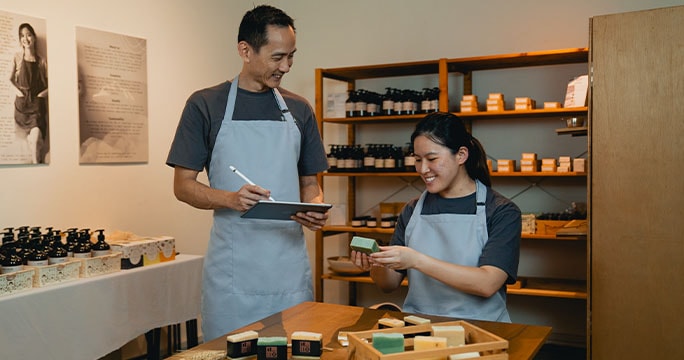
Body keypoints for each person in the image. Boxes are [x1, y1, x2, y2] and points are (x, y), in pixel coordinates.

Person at [166, 5, 329, 340]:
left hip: (289, 272)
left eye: (291, 57)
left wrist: (314, 205)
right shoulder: (205, 105)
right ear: (245, 50)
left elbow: (310, 182)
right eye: (277, 57)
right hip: (233, 274)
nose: (286, 67)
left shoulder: (299, 109)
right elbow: (183, 186)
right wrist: (230, 198)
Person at [352, 112, 521, 322]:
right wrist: (375, 264)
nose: (423, 169)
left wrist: (416, 260)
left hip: (482, 330)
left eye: (432, 159)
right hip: (419, 328)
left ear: (461, 155)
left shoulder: (502, 211)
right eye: (417, 159)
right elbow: (388, 285)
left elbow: (486, 284)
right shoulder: (413, 209)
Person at [10, 23, 48, 164]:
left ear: (34, 37)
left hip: (37, 106)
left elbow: (51, 85)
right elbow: (8, 79)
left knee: (36, 135)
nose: (25, 38)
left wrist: (41, 95)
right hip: (22, 105)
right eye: (22, 36)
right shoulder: (17, 57)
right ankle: (36, 163)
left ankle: (36, 163)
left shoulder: (42, 61)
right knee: (31, 142)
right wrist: (18, 92)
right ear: (20, 39)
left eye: (28, 35)